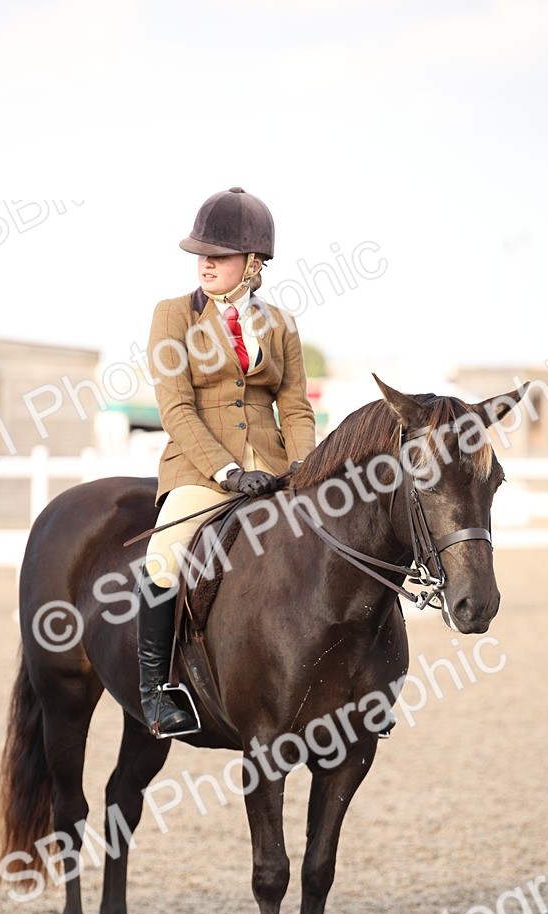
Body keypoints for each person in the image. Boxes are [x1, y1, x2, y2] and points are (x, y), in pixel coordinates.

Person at [137, 186, 318, 738]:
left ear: (254, 263)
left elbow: (295, 407)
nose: (206, 263)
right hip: (202, 470)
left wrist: (306, 473)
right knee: (163, 557)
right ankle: (155, 691)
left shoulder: (280, 324)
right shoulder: (173, 316)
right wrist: (227, 472)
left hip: (275, 468)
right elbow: (175, 406)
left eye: (219, 254)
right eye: (201, 253)